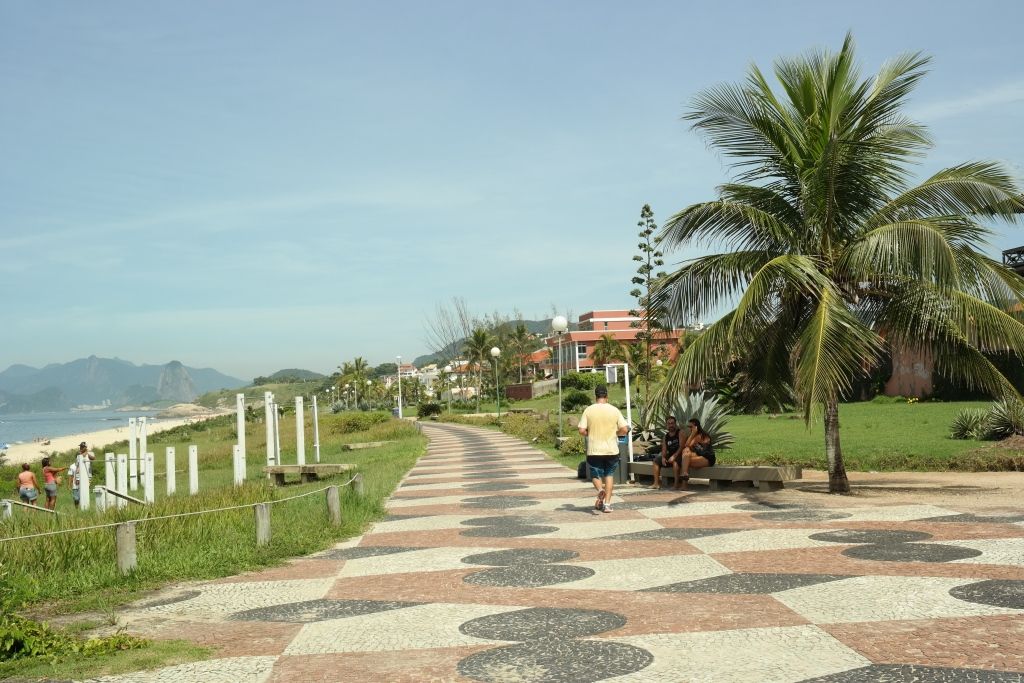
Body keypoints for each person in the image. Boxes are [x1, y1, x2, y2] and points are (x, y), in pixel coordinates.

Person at [578, 385, 629, 513]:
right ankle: (607, 505)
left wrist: (589, 433)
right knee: (609, 475)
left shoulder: (588, 410)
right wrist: (615, 434)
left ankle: (600, 490)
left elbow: (582, 430)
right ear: (607, 396)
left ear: (595, 396)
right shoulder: (614, 410)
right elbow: (624, 429)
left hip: (594, 450)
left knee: (596, 475)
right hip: (611, 449)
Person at [680, 417, 716, 484]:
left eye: (691, 426)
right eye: (688, 427)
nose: (689, 428)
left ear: (696, 427)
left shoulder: (702, 435)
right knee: (686, 452)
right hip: (698, 455)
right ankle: (685, 473)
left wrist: (693, 433)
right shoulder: (693, 436)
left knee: (685, 462)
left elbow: (688, 444)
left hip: (707, 458)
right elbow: (687, 446)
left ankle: (684, 476)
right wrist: (692, 434)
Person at [652, 415, 683, 490]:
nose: (671, 425)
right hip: (671, 455)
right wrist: (663, 457)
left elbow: (682, 446)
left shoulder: (680, 432)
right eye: (669, 424)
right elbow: (664, 449)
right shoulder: (666, 436)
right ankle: (656, 483)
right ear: (666, 425)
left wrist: (674, 456)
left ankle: (676, 485)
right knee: (656, 461)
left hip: (680, 454)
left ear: (675, 424)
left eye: (672, 423)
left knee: (675, 463)